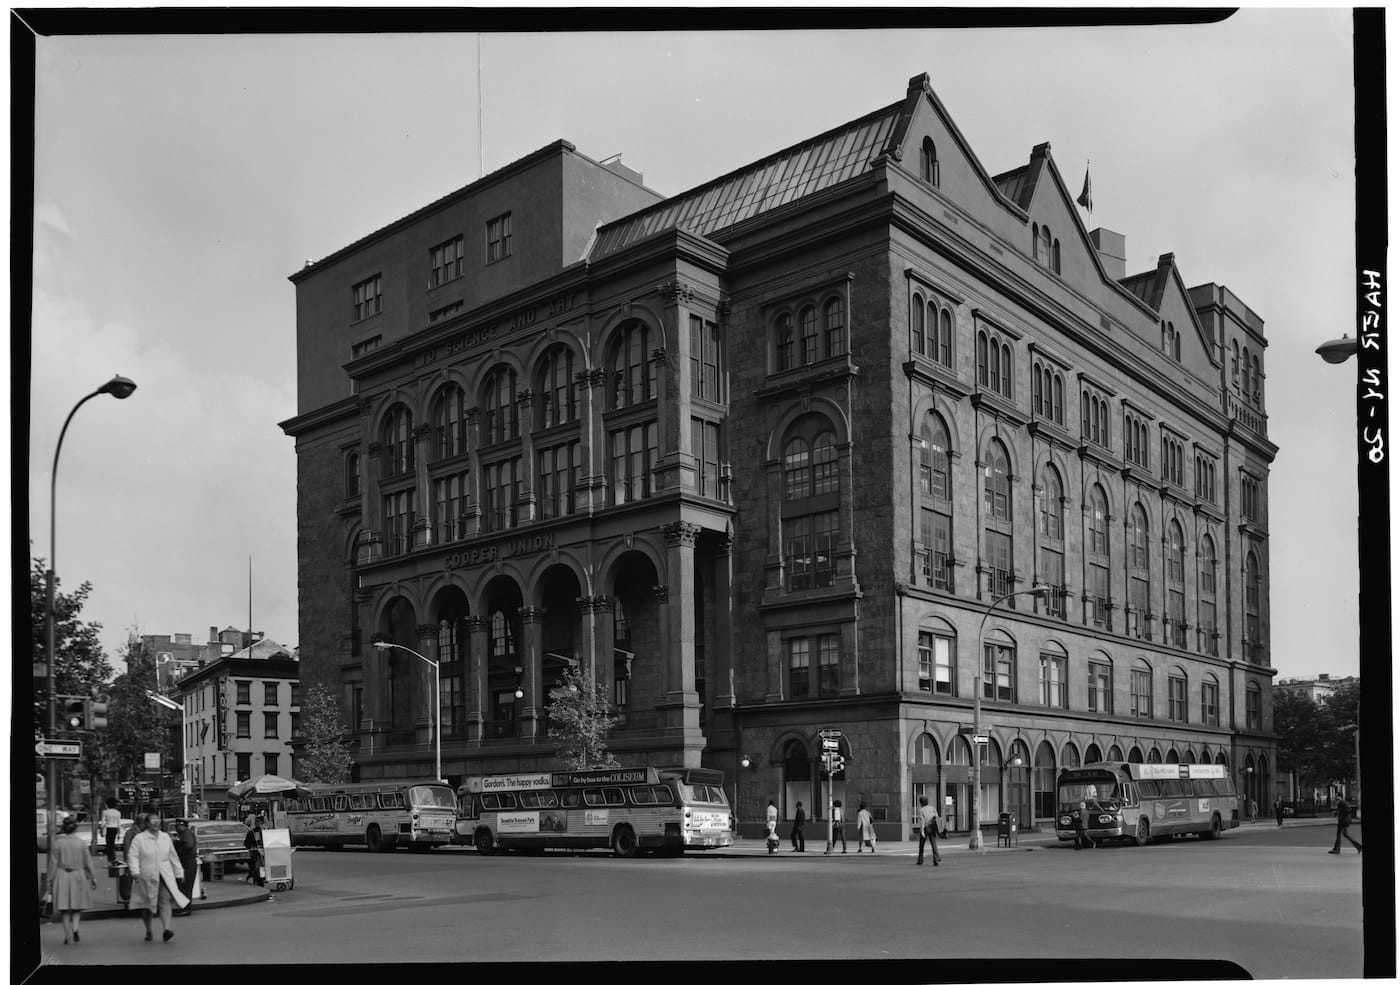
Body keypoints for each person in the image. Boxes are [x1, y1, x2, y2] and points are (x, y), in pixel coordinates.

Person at [129, 812, 188, 943]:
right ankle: (149, 930)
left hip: (164, 874)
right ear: (147, 824)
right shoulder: (140, 839)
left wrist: (179, 873)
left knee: (164, 899)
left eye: (157, 820)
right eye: (152, 820)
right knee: (146, 904)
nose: (155, 823)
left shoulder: (165, 837)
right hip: (146, 875)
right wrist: (135, 871)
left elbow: (173, 856)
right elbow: (132, 856)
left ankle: (167, 929)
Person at [47, 815, 98, 945]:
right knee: (76, 907)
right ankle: (75, 929)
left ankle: (67, 935)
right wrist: (93, 877)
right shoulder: (80, 843)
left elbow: (53, 863)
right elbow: (88, 861)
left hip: (62, 875)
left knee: (64, 908)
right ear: (76, 828)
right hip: (78, 875)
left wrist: (50, 880)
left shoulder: (57, 843)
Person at [119, 812, 145, 908]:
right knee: (132, 881)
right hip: (134, 861)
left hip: (143, 861)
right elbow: (126, 846)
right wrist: (128, 860)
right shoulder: (131, 832)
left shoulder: (144, 832)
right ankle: (130, 900)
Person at [174, 818, 199, 911]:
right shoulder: (184, 834)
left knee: (186, 886)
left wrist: (178, 851)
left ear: (182, 825)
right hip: (187, 862)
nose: (176, 828)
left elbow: (188, 845)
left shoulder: (186, 834)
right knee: (184, 886)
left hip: (188, 862)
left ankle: (186, 908)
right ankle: (185, 907)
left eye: (177, 826)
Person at [916, 795, 941, 867]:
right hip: (932, 827)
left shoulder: (921, 810)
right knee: (933, 844)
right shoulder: (932, 808)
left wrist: (922, 831)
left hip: (926, 827)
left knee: (921, 845)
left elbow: (922, 821)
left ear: (921, 803)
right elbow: (937, 817)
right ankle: (936, 859)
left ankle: (920, 860)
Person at [101, 797, 123, 865]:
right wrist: (119, 834)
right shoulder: (118, 813)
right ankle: (113, 859)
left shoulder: (105, 812)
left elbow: (102, 822)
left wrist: (101, 830)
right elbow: (119, 823)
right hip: (115, 829)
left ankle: (110, 860)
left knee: (109, 845)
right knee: (112, 845)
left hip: (108, 828)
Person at [245, 813, 266, 885]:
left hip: (257, 853)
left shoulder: (253, 832)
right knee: (258, 866)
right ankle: (258, 879)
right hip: (258, 853)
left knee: (256, 867)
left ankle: (255, 879)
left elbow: (246, 843)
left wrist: (250, 847)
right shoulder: (259, 832)